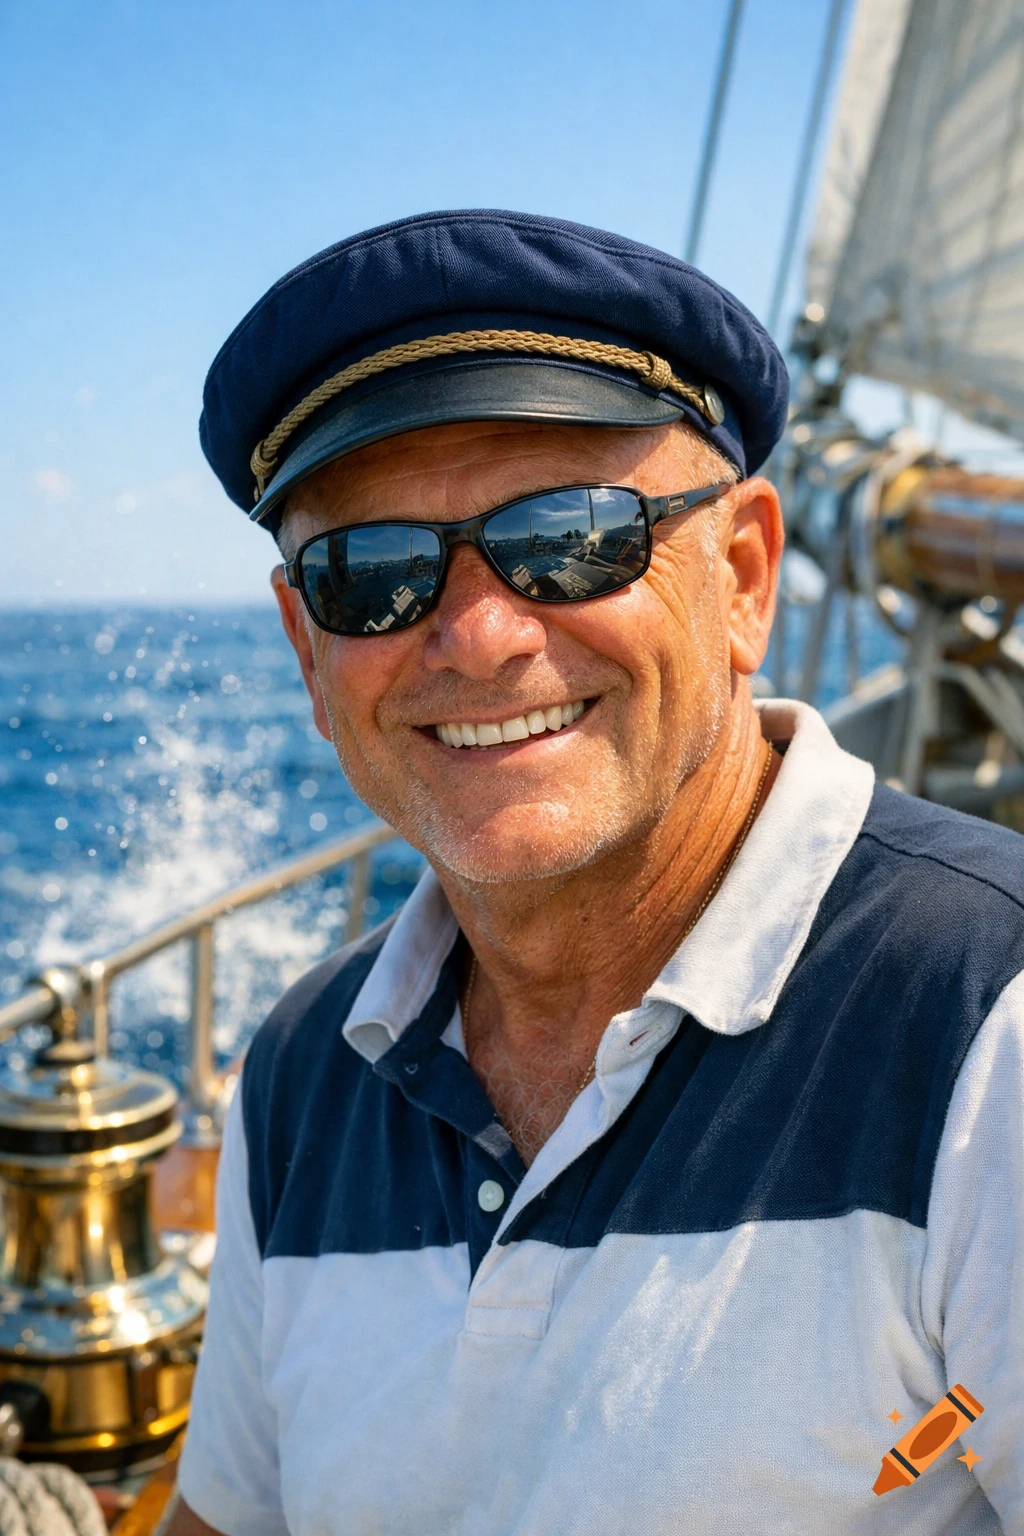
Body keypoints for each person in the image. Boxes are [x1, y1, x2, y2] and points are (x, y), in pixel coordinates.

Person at [166, 211, 1022, 1535]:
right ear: (307, 649)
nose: (478, 635)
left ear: (741, 579)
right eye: (371, 575)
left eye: (569, 537)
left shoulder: (989, 1024)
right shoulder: (299, 1076)